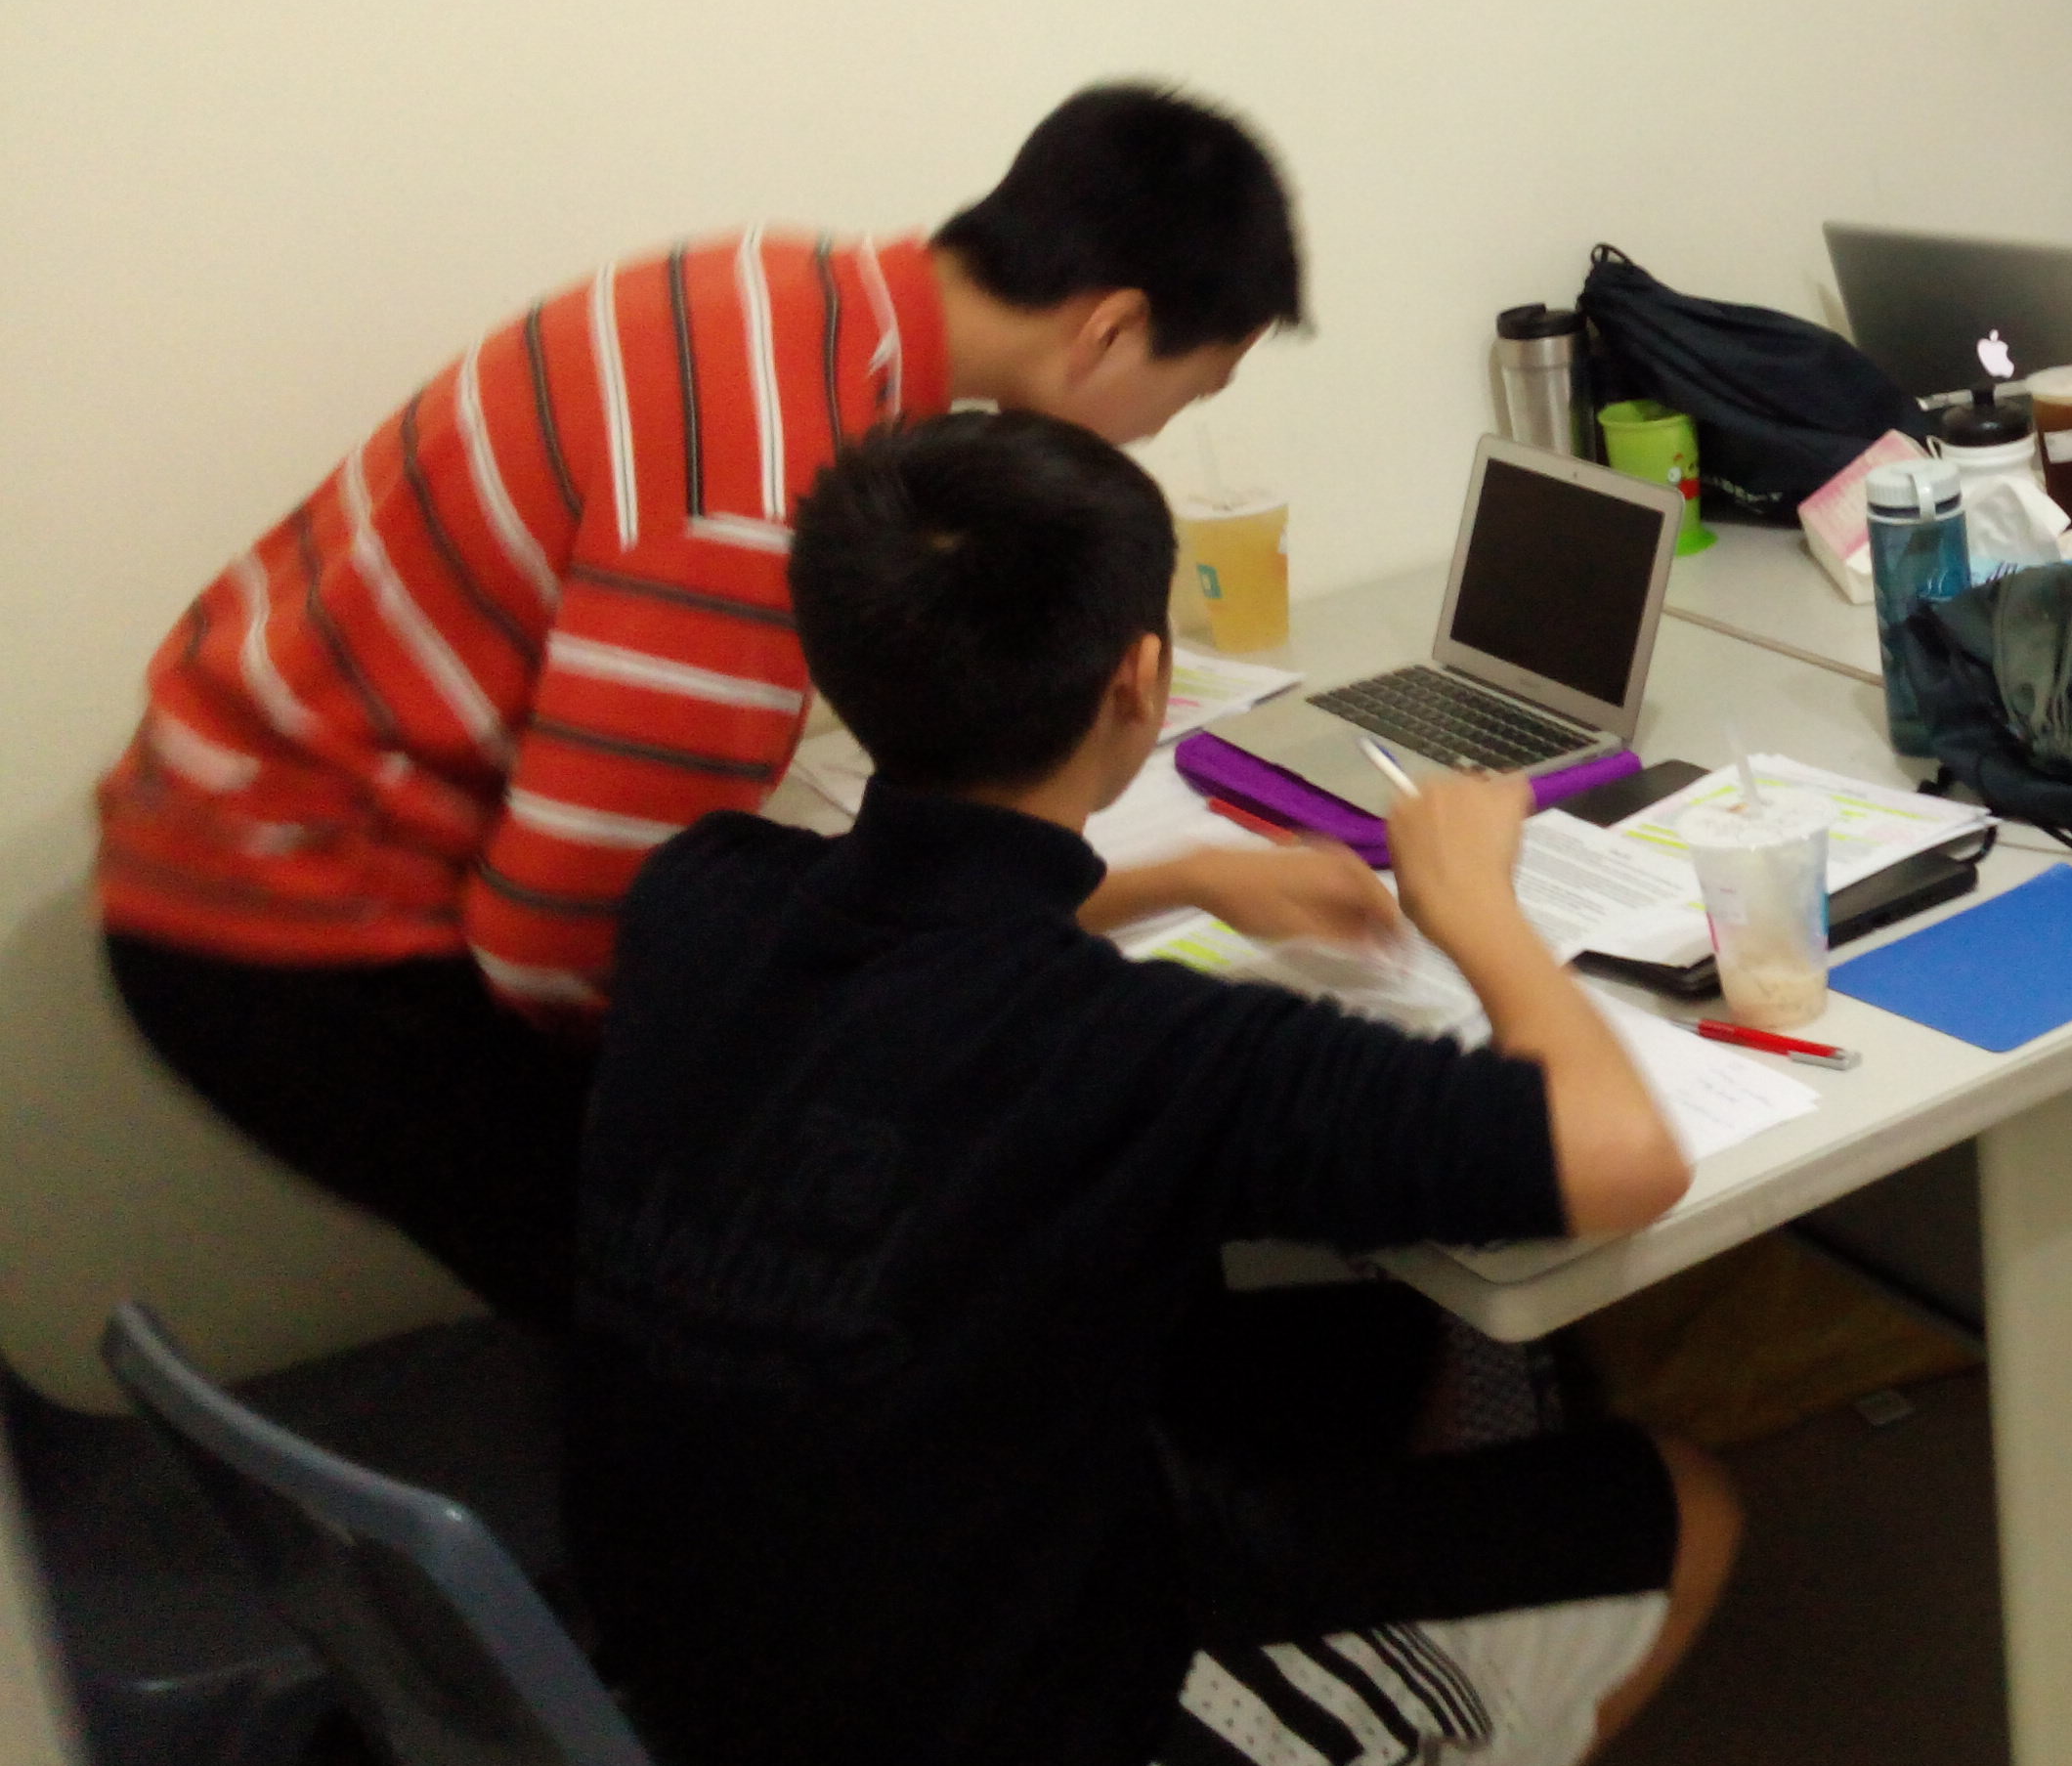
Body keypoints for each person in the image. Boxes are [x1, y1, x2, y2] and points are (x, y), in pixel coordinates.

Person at [570, 410, 1733, 1766]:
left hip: (686, 1660)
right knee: (1685, 1506)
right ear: (1141, 677)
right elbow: (1624, 1156)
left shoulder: (700, 892)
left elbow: (916, 922)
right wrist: (1474, 905)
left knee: (1387, 1340)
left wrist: (1181, 877)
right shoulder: (1135, 1053)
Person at [91, 81, 1365, 1332]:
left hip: (250, 815)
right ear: (1111, 330)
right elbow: (561, 944)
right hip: (292, 920)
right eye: (1192, 392)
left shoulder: (784, 297)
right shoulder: (761, 491)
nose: (1156, 434)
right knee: (759, 1306)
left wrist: (1173, 882)